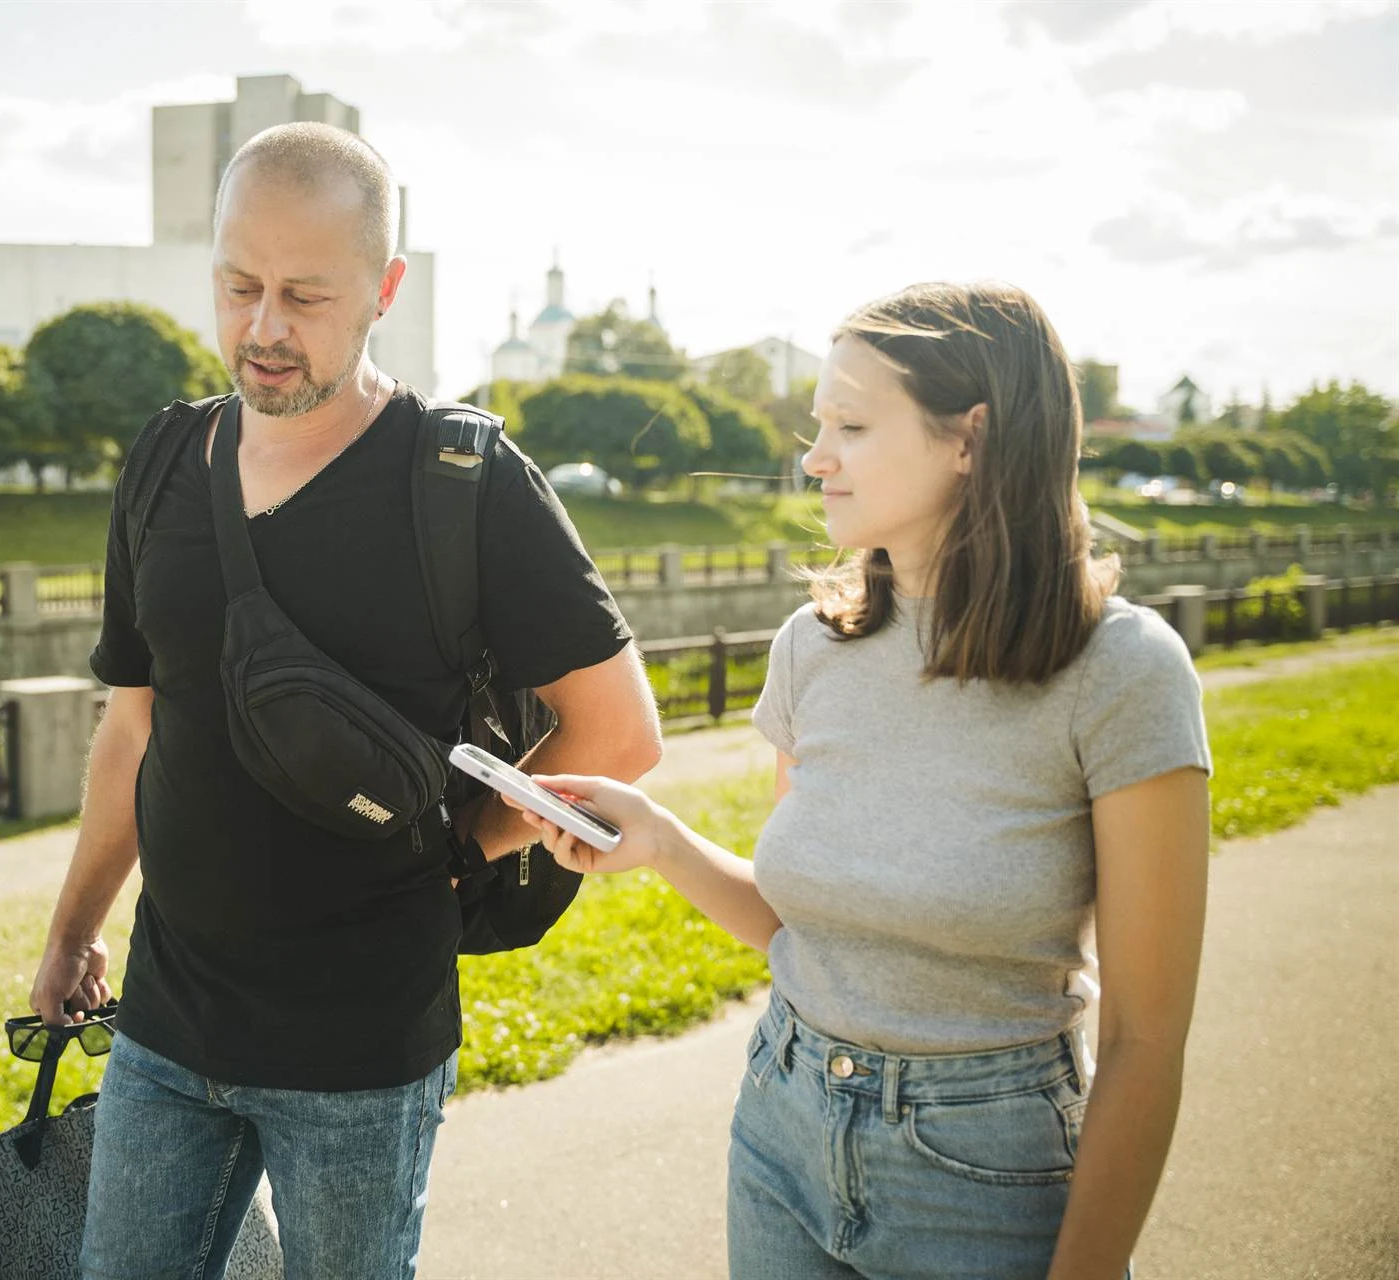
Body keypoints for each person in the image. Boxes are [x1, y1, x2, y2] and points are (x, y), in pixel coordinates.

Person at [29, 121, 663, 1280]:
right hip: (166, 1030)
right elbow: (134, 725)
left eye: (305, 296)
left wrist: (459, 852)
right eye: (238, 285)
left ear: (384, 288)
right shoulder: (166, 461)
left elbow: (621, 731)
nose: (263, 328)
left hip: (363, 1050)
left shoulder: (465, 484)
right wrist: (74, 932)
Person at [514, 282, 1211, 1280]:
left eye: (849, 423)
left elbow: (1147, 1038)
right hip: (781, 1127)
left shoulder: (1125, 673)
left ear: (969, 437)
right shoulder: (814, 647)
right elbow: (815, 929)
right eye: (818, 425)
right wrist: (661, 838)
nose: (813, 456)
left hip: (988, 1174)